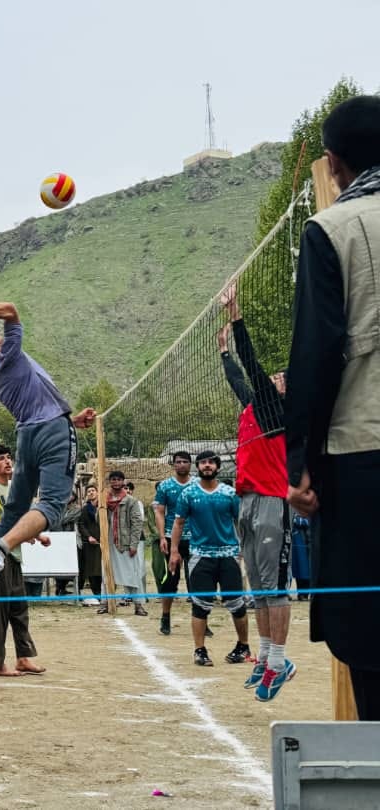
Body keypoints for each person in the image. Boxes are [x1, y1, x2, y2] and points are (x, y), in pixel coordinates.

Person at [285, 94, 380, 717]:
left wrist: (301, 463)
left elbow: (316, 356)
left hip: (362, 457)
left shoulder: (333, 229)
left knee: (368, 638)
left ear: (335, 162)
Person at [0, 302, 95, 595]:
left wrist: (71, 422)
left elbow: (36, 408)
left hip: (30, 435)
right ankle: (2, 548)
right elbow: (10, 309)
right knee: (51, 505)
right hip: (51, 431)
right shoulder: (9, 355)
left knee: (15, 509)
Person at [218, 283, 293, 699]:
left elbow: (252, 363)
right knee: (259, 586)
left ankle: (280, 663)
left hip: (271, 501)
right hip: (246, 501)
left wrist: (236, 313)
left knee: (274, 586)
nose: (274, 377)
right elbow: (236, 377)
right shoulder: (252, 407)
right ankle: (264, 657)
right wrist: (222, 350)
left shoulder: (274, 408)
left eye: (281, 377)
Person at [169, 452, 251, 669]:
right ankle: (200, 650)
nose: (207, 466)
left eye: (211, 462)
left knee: (236, 604)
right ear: (198, 466)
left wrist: (244, 549)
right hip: (200, 555)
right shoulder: (188, 494)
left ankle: (243, 646)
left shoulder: (230, 493)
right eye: (203, 462)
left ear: (217, 466)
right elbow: (178, 524)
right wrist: (174, 551)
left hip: (228, 555)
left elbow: (240, 521)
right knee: (200, 606)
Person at [0, 444, 45, 675]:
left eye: (8, 457)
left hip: (13, 556)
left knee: (19, 609)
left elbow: (21, 521)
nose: (7, 461)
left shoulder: (13, 489)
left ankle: (24, 657)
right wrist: (26, 536)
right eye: (1, 459)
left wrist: (36, 534)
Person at [152, 452, 196, 635]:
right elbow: (160, 512)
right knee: (171, 580)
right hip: (172, 537)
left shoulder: (197, 484)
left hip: (195, 538)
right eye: (178, 462)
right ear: (173, 465)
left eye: (185, 461)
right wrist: (162, 537)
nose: (182, 464)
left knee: (197, 580)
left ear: (190, 464)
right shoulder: (165, 486)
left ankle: (201, 618)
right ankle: (165, 616)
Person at [104, 471, 147, 616]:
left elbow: (137, 524)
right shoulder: (104, 500)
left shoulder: (131, 501)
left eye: (118, 479)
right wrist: (99, 506)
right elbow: (100, 520)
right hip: (108, 541)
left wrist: (134, 544)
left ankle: (138, 605)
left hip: (125, 542)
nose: (116, 482)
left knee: (132, 574)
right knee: (107, 573)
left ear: (123, 481)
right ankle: (106, 603)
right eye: (113, 480)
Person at [75, 484, 103, 605]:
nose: (91, 493)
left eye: (93, 490)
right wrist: (89, 536)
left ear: (97, 492)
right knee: (92, 570)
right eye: (89, 491)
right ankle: (97, 594)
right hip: (90, 543)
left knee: (102, 569)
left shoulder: (103, 507)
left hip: (103, 542)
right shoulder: (85, 509)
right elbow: (81, 524)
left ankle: (104, 593)